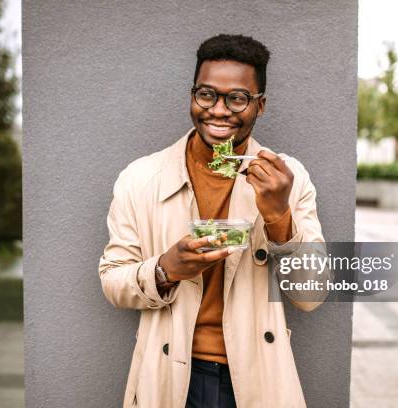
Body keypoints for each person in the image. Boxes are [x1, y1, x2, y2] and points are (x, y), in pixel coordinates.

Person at [98, 34, 332, 408]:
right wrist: (165, 269)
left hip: (256, 377)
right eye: (206, 94)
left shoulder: (289, 177)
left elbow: (311, 296)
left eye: (237, 98)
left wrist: (277, 214)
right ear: (192, 95)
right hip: (172, 372)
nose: (219, 110)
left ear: (261, 105)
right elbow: (112, 280)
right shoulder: (140, 177)